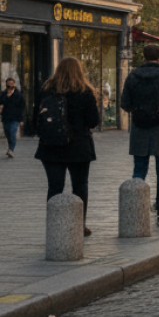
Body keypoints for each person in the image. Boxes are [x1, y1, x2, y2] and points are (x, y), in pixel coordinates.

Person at [36, 57, 101, 236]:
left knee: (54, 187)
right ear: (79, 71)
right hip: (78, 146)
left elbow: (37, 117)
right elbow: (93, 121)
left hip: (50, 146)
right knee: (80, 186)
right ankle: (79, 225)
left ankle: (53, 225)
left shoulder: (47, 89)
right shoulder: (85, 91)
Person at [120, 43, 159, 226]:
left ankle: (135, 209)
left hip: (139, 128)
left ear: (144, 56)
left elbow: (124, 103)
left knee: (139, 169)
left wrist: (140, 111)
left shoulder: (133, 76)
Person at [0, 75, 25, 157]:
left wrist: (21, 119)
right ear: (6, 84)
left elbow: (22, 107)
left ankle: (11, 149)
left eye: (12, 83)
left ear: (14, 84)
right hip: (5, 117)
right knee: (7, 133)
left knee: (12, 133)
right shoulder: (3, 94)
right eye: (9, 83)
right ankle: (10, 147)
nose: (10, 84)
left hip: (15, 117)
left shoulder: (18, 95)